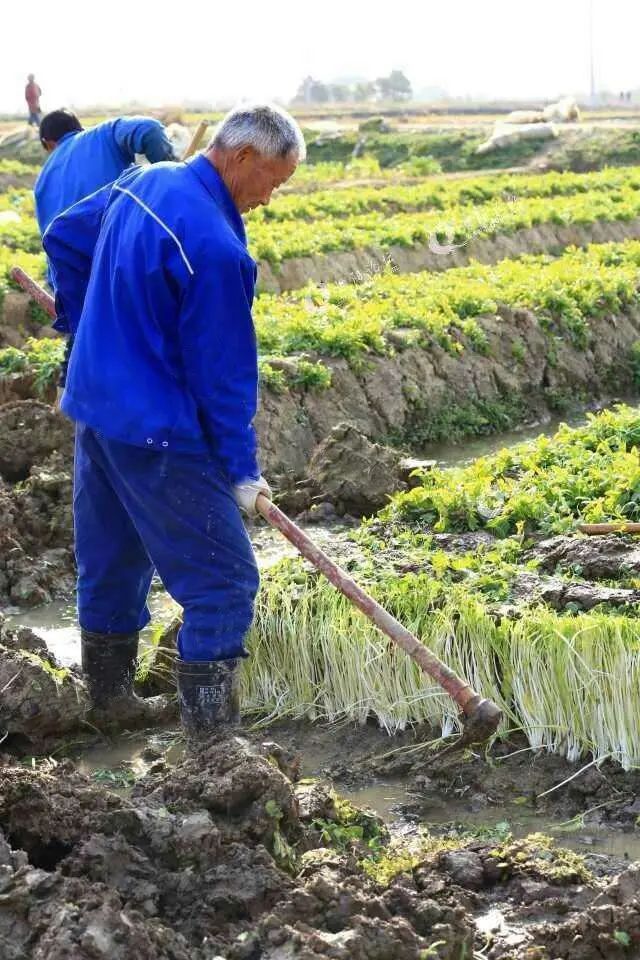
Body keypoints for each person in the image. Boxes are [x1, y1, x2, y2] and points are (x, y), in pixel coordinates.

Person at [42, 103, 304, 738]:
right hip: (156, 432)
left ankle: (108, 701)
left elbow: (66, 236)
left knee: (114, 559)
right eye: (273, 180)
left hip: (96, 410)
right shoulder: (214, 249)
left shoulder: (146, 180)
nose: (269, 199)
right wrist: (242, 472)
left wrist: (85, 330)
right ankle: (212, 743)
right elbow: (222, 377)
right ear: (242, 157)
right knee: (225, 580)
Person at [34, 109, 176, 236]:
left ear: (47, 143)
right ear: (81, 129)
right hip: (124, 247)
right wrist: (172, 175)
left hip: (81, 262)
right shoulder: (103, 133)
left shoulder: (41, 182)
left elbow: (51, 243)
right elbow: (149, 130)